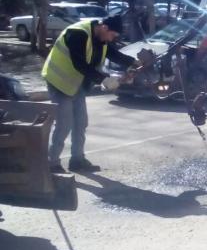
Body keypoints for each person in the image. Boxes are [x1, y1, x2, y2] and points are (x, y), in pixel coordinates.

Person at [42, 15, 137, 173]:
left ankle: (77, 160)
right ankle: (52, 163)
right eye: (113, 35)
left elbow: (113, 54)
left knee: (80, 123)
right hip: (58, 81)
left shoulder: (101, 38)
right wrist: (104, 80)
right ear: (105, 28)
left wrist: (134, 62)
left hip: (75, 84)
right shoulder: (77, 34)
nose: (112, 39)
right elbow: (79, 63)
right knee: (64, 124)